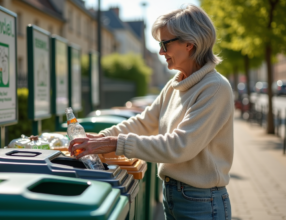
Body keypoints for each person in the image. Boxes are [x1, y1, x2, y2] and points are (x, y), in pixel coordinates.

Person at [69, 4, 233, 220]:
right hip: (175, 194)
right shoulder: (176, 84)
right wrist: (102, 137)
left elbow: (179, 146)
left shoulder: (214, 88)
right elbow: (144, 122)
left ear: (190, 44)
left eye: (165, 44)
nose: (161, 52)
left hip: (202, 201)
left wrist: (114, 144)